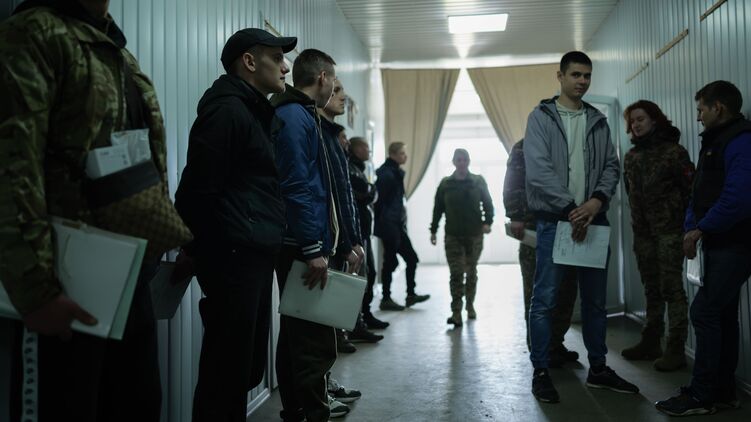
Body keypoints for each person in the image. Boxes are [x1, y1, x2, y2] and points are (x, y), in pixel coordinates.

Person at [0, 1, 190, 420]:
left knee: (138, 404)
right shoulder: (33, 33)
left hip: (128, 276)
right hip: (64, 279)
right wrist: (37, 291)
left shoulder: (115, 50)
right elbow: (13, 168)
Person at [174, 28, 295, 421]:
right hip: (232, 254)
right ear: (249, 62)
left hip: (252, 251)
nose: (285, 67)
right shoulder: (227, 111)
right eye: (277, 58)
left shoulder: (254, 111)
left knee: (244, 368)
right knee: (226, 370)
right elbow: (199, 186)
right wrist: (192, 247)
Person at [524, 51, 638, 403]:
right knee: (544, 300)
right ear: (560, 76)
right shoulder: (541, 117)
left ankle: (599, 368)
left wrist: (596, 202)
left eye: (587, 75)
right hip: (554, 221)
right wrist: (572, 208)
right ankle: (541, 371)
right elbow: (538, 169)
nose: (583, 81)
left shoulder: (597, 120)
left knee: (594, 302)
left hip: (593, 220)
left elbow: (611, 167)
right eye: (576, 74)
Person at [656, 81, 751, 416]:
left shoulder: (741, 140)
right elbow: (700, 191)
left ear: (718, 107)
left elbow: (739, 198)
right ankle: (722, 391)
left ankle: (702, 395)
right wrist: (691, 226)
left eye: (701, 109)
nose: (697, 117)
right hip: (720, 242)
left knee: (705, 312)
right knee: (721, 314)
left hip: (736, 243)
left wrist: (700, 229)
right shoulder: (717, 140)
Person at [271, 48, 341, 422]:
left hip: (301, 240)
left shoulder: (301, 114)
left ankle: (297, 409)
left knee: (297, 333)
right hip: (300, 244)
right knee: (312, 337)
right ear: (322, 78)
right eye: (334, 79)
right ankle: (312, 412)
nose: (333, 86)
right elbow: (296, 184)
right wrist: (313, 247)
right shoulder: (294, 116)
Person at [620, 100, 693, 372]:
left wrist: (688, 228)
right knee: (651, 288)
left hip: (670, 232)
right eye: (632, 121)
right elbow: (630, 193)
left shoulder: (674, 152)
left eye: (640, 119)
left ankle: (675, 349)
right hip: (643, 234)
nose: (636, 125)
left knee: (671, 289)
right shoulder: (632, 156)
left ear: (654, 119)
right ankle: (651, 341)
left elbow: (691, 191)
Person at [503, 139, 580, 367]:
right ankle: (540, 348)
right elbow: (513, 181)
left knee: (566, 289)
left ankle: (555, 343)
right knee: (537, 291)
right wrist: (515, 214)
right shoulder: (524, 146)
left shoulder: (568, 142)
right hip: (533, 226)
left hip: (567, 226)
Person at [318, 79, 382, 348]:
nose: (343, 97)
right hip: (329, 239)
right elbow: (341, 196)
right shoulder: (319, 135)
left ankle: (353, 325)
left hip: (350, 234)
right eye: (337, 91)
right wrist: (346, 242)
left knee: (359, 280)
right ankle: (343, 332)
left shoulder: (336, 147)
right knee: (324, 302)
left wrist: (352, 239)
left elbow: (351, 198)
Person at [430, 148, 494, 326]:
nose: (461, 163)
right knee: (456, 273)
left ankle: (470, 305)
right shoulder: (446, 184)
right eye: (458, 160)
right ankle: (456, 312)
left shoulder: (478, 181)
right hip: (453, 236)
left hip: (474, 235)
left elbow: (488, 204)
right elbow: (438, 208)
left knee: (471, 271)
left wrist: (488, 222)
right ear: (453, 162)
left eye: (464, 159)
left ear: (469, 161)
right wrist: (433, 230)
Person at [374, 142, 431, 310]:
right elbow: (379, 202)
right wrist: (387, 224)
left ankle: (410, 295)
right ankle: (386, 299)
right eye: (402, 153)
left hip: (396, 225)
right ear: (393, 154)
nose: (405, 156)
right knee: (390, 262)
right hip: (390, 225)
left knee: (411, 258)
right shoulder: (387, 174)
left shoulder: (394, 172)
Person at [348, 137, 390, 329]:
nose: (369, 150)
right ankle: (357, 321)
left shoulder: (359, 169)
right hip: (356, 231)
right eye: (365, 146)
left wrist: (371, 191)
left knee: (370, 273)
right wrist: (371, 190)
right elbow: (366, 192)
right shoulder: (350, 168)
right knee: (362, 274)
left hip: (363, 230)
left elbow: (370, 193)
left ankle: (365, 315)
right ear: (356, 149)